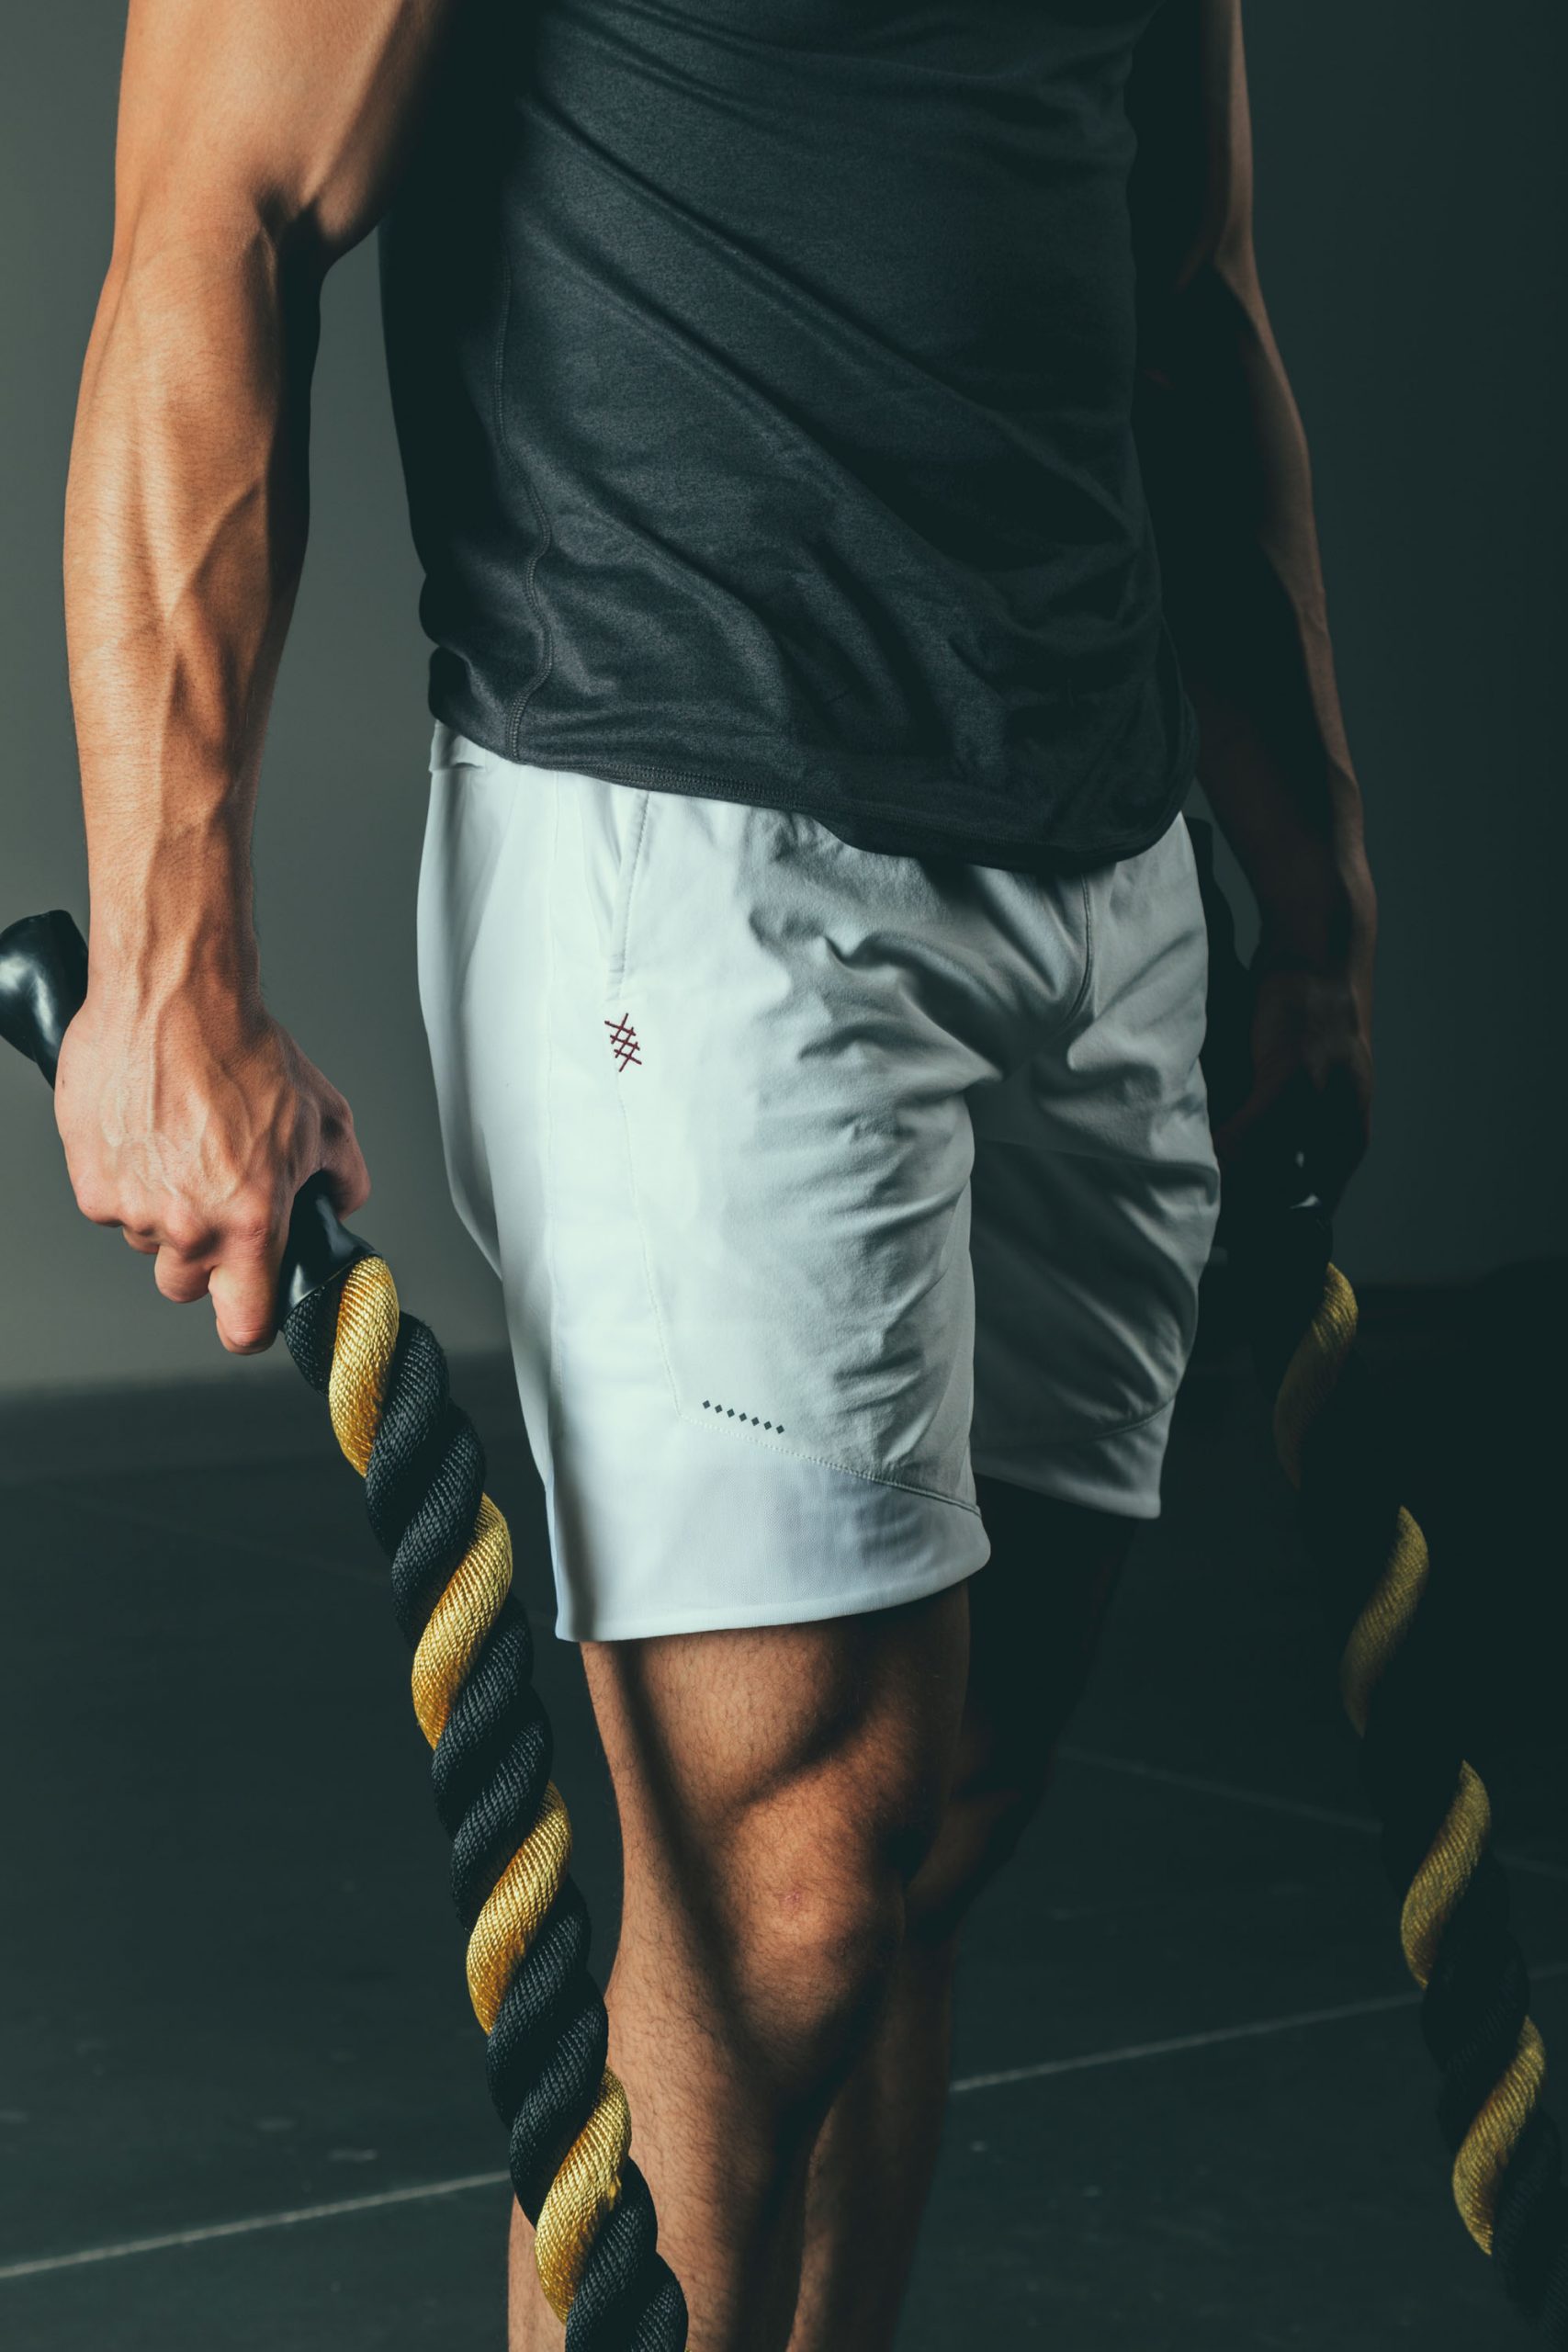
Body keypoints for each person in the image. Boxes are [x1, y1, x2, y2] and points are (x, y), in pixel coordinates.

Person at [52, 0, 1375, 2343]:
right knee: (789, 1872)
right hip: (694, 857)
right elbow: (215, 218)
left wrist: (1310, 883)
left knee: (936, 1823)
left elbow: (1188, 277)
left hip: (1097, 852)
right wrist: (168, 969)